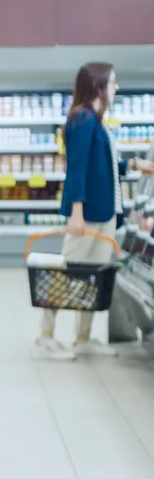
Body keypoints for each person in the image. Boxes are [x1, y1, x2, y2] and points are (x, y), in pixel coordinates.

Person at [39, 62, 154, 360]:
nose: (116, 88)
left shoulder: (95, 120)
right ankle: (45, 336)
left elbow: (99, 168)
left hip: (104, 213)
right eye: (113, 83)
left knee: (92, 277)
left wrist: (132, 165)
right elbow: (76, 170)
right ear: (98, 86)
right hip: (88, 214)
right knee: (70, 272)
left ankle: (83, 338)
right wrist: (76, 213)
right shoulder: (82, 119)